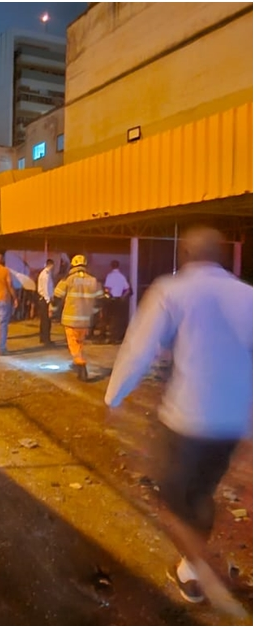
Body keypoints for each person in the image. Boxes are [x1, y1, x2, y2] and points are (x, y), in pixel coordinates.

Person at [104, 226, 251, 608]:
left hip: (187, 418)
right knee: (200, 493)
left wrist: (114, 397)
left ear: (184, 253)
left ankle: (198, 568)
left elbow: (139, 347)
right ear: (220, 255)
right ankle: (190, 569)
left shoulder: (171, 291)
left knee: (171, 496)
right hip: (231, 423)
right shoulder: (247, 295)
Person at [51, 255, 103, 381]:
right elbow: (100, 300)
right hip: (85, 319)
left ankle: (81, 364)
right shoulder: (93, 280)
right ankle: (78, 365)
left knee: (73, 344)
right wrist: (94, 313)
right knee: (79, 343)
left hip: (70, 319)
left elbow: (57, 296)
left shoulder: (68, 279)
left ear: (73, 265)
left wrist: (52, 311)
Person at [103, 260, 132, 344]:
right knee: (118, 320)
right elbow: (128, 289)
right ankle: (116, 337)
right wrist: (123, 297)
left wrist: (108, 295)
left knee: (110, 319)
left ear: (111, 266)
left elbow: (107, 288)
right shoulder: (122, 276)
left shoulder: (110, 276)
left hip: (111, 299)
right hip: (119, 299)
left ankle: (111, 338)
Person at [37, 259, 56, 346]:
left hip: (43, 299)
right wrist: (49, 302)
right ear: (51, 265)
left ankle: (43, 338)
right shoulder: (46, 275)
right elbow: (46, 289)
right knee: (46, 320)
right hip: (45, 299)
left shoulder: (46, 273)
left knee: (44, 319)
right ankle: (46, 339)